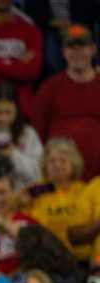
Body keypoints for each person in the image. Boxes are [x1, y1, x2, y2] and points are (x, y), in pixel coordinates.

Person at [31, 24, 100, 181]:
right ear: (63, 52)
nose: (77, 53)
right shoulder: (49, 88)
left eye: (82, 47)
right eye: (71, 48)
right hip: (59, 180)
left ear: (93, 49)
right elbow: (37, 133)